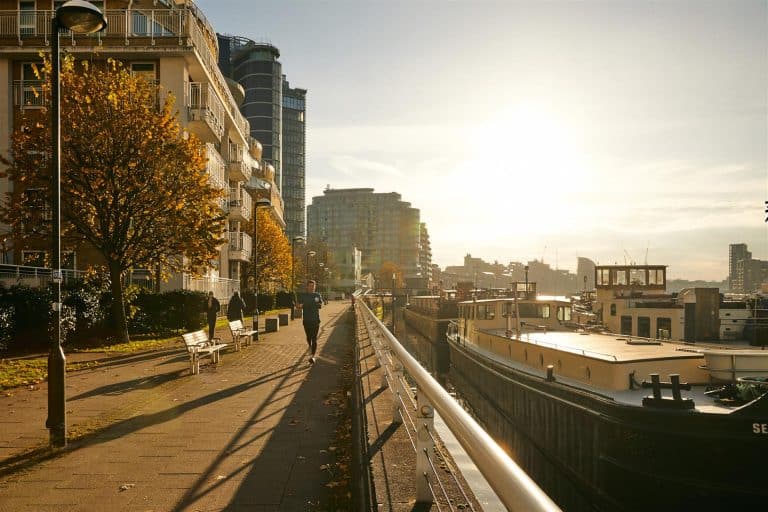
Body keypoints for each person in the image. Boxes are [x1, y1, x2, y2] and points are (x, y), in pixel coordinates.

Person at [298, 280, 322, 364]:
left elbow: (320, 305)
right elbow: (299, 306)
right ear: (307, 287)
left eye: (313, 286)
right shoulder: (303, 296)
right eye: (310, 286)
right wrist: (300, 306)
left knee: (314, 338)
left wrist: (316, 303)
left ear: (315, 287)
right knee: (308, 337)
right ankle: (310, 346)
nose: (312, 287)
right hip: (306, 320)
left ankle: (312, 356)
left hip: (315, 320)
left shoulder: (317, 295)